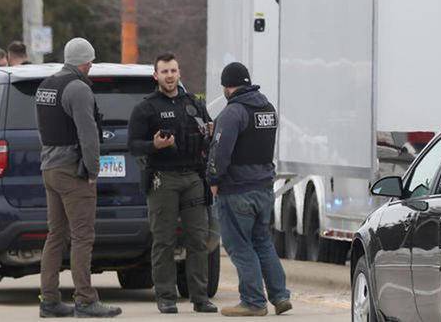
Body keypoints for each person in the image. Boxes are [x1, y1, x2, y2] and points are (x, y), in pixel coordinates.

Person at [36, 38, 121, 319]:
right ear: (86, 62)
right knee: (82, 237)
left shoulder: (45, 86)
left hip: (49, 167)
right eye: (91, 63)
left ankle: (49, 300)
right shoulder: (78, 88)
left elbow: (44, 128)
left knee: (55, 236)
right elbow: (88, 133)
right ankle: (85, 300)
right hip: (72, 172)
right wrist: (93, 169)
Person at [127, 53, 217, 314]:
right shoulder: (146, 108)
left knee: (198, 240)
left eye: (173, 71)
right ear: (156, 75)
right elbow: (133, 145)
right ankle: (166, 296)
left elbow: (208, 135)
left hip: (192, 177)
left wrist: (209, 134)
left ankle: (200, 297)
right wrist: (153, 145)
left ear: (179, 73)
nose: (169, 76)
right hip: (162, 178)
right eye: (164, 72)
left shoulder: (194, 104)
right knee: (164, 240)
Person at [207, 62, 291, 317]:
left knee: (239, 245)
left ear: (227, 86)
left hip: (237, 190)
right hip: (264, 187)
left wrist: (212, 179)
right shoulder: (268, 109)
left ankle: (253, 301)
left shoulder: (232, 113)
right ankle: (280, 296)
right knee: (263, 242)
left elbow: (220, 152)